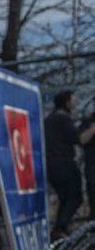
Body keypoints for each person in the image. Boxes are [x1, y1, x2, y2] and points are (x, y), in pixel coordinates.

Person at [45, 90, 95, 237]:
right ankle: (60, 227)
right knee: (74, 196)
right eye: (74, 99)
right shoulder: (62, 119)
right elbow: (80, 139)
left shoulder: (51, 119)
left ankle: (61, 228)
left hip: (53, 164)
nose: (76, 102)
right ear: (67, 101)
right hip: (63, 163)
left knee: (66, 197)